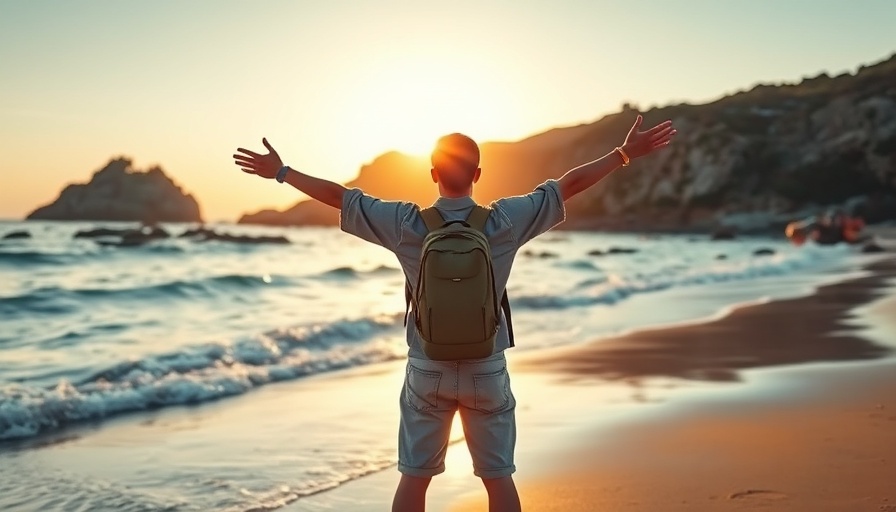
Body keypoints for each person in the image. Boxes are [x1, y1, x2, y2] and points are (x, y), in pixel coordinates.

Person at [233, 114, 676, 511]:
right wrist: (622, 154)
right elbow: (568, 185)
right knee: (498, 480)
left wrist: (283, 173)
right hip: (487, 365)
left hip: (428, 367)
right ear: (478, 174)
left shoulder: (405, 223)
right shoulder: (505, 221)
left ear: (433, 174)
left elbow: (342, 198)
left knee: (415, 479)